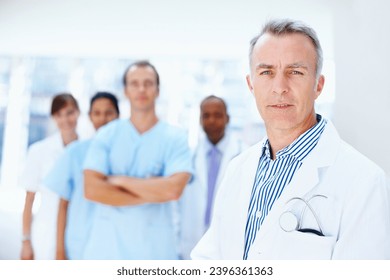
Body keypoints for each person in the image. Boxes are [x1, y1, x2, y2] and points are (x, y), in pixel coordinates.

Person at [191, 19, 390, 260]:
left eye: (295, 72)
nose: (279, 87)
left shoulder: (365, 182)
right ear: (251, 85)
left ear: (318, 85)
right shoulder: (238, 170)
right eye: (266, 72)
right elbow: (210, 260)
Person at [82, 60, 193, 260]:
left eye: (148, 83)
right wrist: (153, 191)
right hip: (108, 251)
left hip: (155, 253)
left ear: (158, 90)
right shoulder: (106, 135)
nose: (141, 88)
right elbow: (92, 189)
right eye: (134, 83)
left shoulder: (175, 137)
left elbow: (173, 190)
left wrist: (119, 181)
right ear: (125, 90)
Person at [43, 92, 120, 260]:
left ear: (118, 116)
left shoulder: (128, 154)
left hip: (115, 248)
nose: (103, 119)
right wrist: (60, 252)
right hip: (80, 245)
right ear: (90, 117)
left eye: (109, 113)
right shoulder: (76, 152)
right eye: (97, 113)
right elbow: (63, 205)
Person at [179, 95, 246, 259]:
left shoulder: (244, 156)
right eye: (206, 115)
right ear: (200, 120)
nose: (211, 121)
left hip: (229, 243)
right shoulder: (188, 156)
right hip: (191, 243)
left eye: (217, 115)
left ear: (227, 118)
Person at [20, 93, 80, 260]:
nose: (65, 119)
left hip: (78, 233)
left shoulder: (87, 149)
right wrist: (26, 241)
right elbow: (29, 200)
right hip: (46, 233)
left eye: (70, 113)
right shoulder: (39, 151)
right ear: (53, 117)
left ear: (78, 113)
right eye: (59, 115)